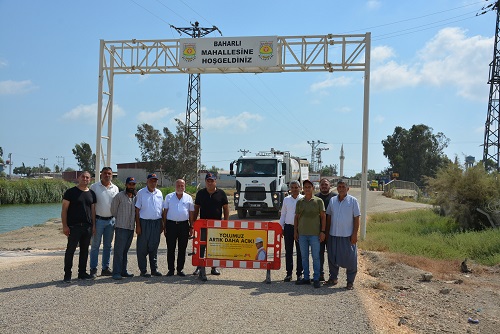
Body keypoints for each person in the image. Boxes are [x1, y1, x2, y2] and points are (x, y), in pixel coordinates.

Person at [61, 171, 97, 283]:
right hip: (73, 227)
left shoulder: (92, 193)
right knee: (70, 251)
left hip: (87, 227)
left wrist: (93, 226)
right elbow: (64, 210)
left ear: (90, 180)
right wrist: (65, 226)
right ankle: (67, 275)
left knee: (85, 251)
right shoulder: (70, 192)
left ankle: (82, 273)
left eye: (87, 178)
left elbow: (93, 211)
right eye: (83, 177)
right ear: (78, 178)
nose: (85, 179)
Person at [193, 172, 229, 281]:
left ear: (215, 181)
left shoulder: (221, 193)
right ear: (205, 182)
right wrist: (194, 222)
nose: (210, 183)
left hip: (216, 225)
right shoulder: (200, 193)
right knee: (202, 246)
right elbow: (196, 208)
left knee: (214, 246)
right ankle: (199, 267)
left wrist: (225, 222)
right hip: (203, 225)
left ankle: (214, 267)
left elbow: (226, 208)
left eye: (212, 181)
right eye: (208, 181)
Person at [325, 179, 360, 290]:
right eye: (339, 186)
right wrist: (326, 233)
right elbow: (329, 217)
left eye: (343, 186)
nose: (341, 188)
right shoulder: (332, 201)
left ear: (347, 188)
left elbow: (356, 218)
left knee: (350, 259)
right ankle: (333, 278)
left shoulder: (353, 201)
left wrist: (354, 234)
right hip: (333, 234)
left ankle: (350, 281)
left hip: (347, 236)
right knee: (332, 258)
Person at [294, 179, 326, 289]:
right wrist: (295, 232)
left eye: (309, 187)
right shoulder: (300, 202)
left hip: (315, 235)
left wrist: (322, 232)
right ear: (303, 189)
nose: (307, 189)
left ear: (313, 188)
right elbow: (296, 218)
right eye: (305, 187)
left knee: (316, 257)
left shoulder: (318, 201)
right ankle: (306, 278)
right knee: (304, 257)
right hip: (302, 234)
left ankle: (316, 278)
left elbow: (323, 217)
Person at [89, 166, 119, 278]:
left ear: (112, 175)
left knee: (108, 246)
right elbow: (91, 206)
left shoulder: (115, 188)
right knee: (95, 246)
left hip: (111, 221)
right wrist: (93, 223)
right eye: (105, 173)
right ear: (101, 174)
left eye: (109, 173)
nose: (107, 175)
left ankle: (105, 268)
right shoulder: (94, 187)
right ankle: (93, 269)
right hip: (98, 220)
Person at [162, 179, 194, 277]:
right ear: (175, 186)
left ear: (185, 186)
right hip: (171, 225)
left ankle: (180, 269)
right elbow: (165, 212)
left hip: (184, 225)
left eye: (182, 185)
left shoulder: (188, 198)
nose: (180, 187)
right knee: (170, 248)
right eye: (178, 185)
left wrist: (191, 226)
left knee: (182, 249)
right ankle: (171, 270)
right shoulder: (169, 197)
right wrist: (164, 226)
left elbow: (191, 213)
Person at [135, 173, 164, 278]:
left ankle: (154, 269)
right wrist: (138, 225)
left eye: (155, 181)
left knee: (154, 246)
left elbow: (162, 209)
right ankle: (143, 270)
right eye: (151, 180)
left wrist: (162, 224)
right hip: (144, 222)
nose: (153, 182)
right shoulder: (141, 193)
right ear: (147, 181)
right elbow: (137, 210)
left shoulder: (159, 193)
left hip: (156, 222)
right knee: (142, 248)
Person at [110, 177, 137, 280]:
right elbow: (113, 210)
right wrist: (120, 219)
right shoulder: (119, 196)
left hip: (131, 228)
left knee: (125, 251)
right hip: (121, 227)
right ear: (126, 185)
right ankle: (116, 272)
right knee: (118, 251)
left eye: (133, 184)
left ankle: (123, 270)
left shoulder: (136, 197)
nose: (131, 186)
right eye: (130, 184)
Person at [279, 180, 304, 282]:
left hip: (301, 228)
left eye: (296, 187)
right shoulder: (286, 200)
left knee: (300, 252)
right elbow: (283, 214)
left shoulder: (303, 199)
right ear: (290, 189)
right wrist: (281, 227)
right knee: (288, 251)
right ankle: (289, 274)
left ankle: (299, 274)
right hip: (288, 228)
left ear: (299, 188)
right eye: (292, 187)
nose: (294, 189)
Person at [315, 178, 337, 281]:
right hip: (318, 231)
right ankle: (320, 274)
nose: (324, 186)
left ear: (330, 185)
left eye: (326, 184)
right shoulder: (315, 198)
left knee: (332, 255)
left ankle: (333, 276)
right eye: (322, 184)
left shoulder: (335, 198)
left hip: (332, 232)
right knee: (319, 254)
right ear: (319, 186)